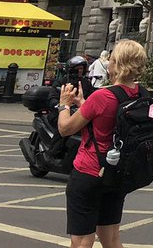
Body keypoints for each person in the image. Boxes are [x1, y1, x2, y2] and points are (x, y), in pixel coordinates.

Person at [57, 39, 147, 248]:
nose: (108, 64)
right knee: (111, 238)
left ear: (118, 64)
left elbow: (65, 128)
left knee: (82, 240)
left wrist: (64, 105)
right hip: (117, 175)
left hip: (89, 173)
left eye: (112, 60)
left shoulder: (102, 96)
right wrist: (83, 105)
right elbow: (110, 118)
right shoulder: (142, 94)